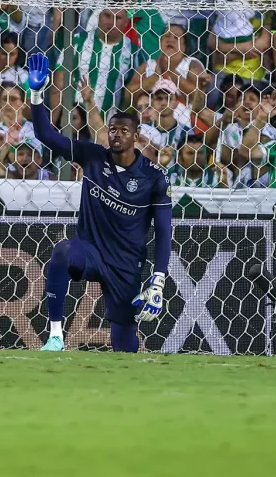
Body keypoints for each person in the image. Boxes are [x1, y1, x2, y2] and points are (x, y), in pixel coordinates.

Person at [27, 52, 173, 353]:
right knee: (63, 251)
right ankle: (55, 337)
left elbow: (164, 231)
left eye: (124, 131)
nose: (116, 135)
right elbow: (45, 134)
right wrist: (37, 94)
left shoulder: (155, 177)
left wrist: (158, 280)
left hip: (125, 264)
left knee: (124, 346)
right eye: (113, 130)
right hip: (90, 251)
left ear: (137, 135)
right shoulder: (93, 156)